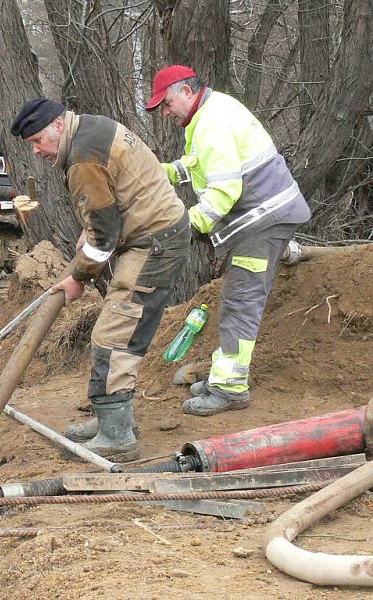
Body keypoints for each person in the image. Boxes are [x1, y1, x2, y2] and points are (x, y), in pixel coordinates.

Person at [11, 98, 190, 461]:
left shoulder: (82, 158)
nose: (37, 151)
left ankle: (116, 436)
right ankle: (110, 418)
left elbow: (105, 237)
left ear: (58, 126)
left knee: (114, 335)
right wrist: (90, 229)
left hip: (153, 241)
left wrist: (77, 277)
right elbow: (107, 203)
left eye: (38, 141)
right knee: (118, 330)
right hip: (153, 232)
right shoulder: (92, 125)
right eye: (31, 145)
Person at [146, 65, 311, 416]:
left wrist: (185, 225)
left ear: (187, 92)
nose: (165, 111)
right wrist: (163, 172)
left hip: (263, 221)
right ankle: (224, 377)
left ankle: (231, 387)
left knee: (240, 300)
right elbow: (203, 167)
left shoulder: (210, 124)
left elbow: (224, 189)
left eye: (167, 102)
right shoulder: (209, 114)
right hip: (266, 216)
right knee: (237, 298)